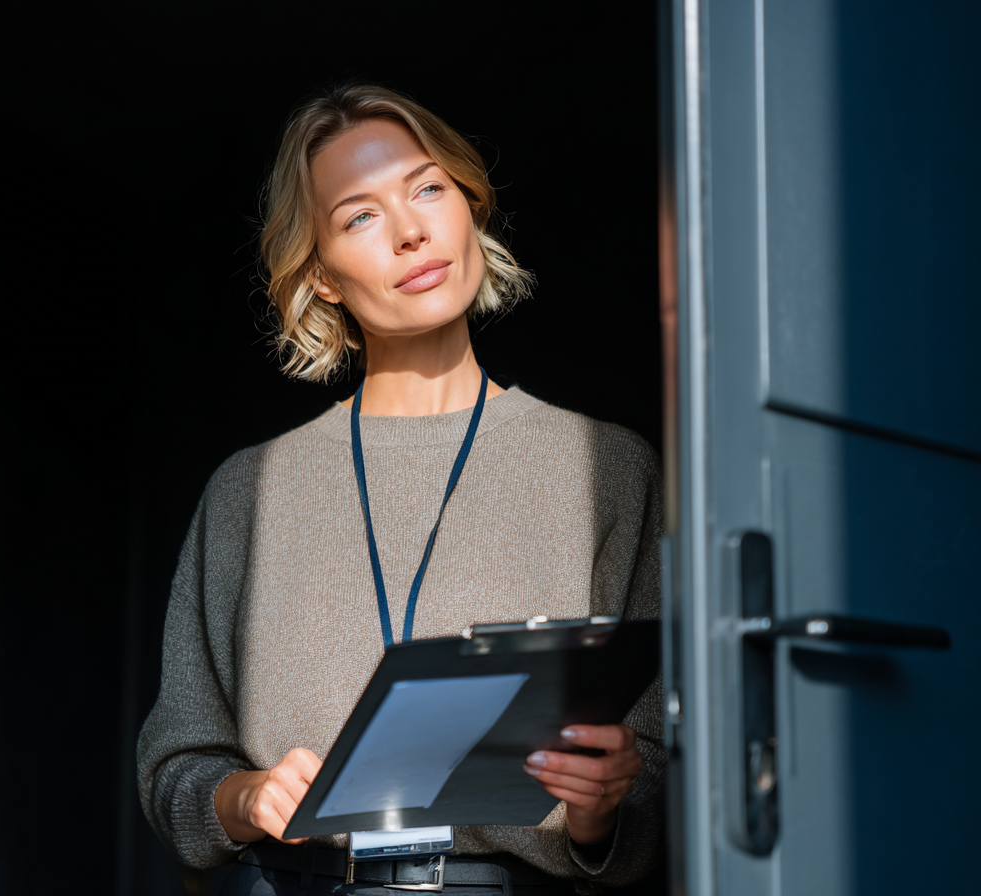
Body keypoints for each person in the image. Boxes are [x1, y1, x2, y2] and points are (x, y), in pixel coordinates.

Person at [138, 83, 663, 895]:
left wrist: (602, 810)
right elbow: (177, 761)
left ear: (471, 209)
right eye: (361, 216)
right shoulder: (250, 491)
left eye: (428, 189)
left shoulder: (606, 468)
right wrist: (242, 796)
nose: (412, 230)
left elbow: (661, 763)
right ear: (320, 279)